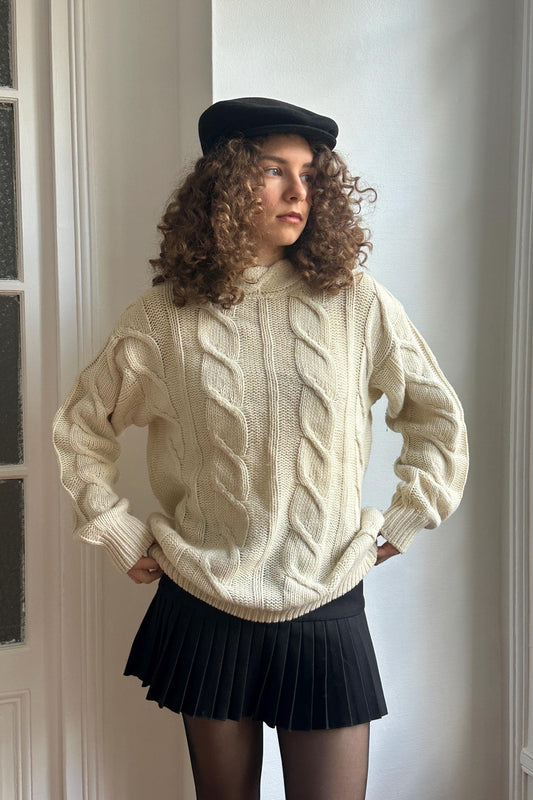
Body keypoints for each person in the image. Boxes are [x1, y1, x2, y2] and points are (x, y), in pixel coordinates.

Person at [53, 97, 469, 800]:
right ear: (227, 181)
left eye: (309, 174)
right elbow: (81, 428)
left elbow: (435, 416)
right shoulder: (161, 319)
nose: (297, 191)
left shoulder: (357, 304)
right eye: (274, 170)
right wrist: (120, 531)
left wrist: (404, 517)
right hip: (205, 601)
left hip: (326, 593)